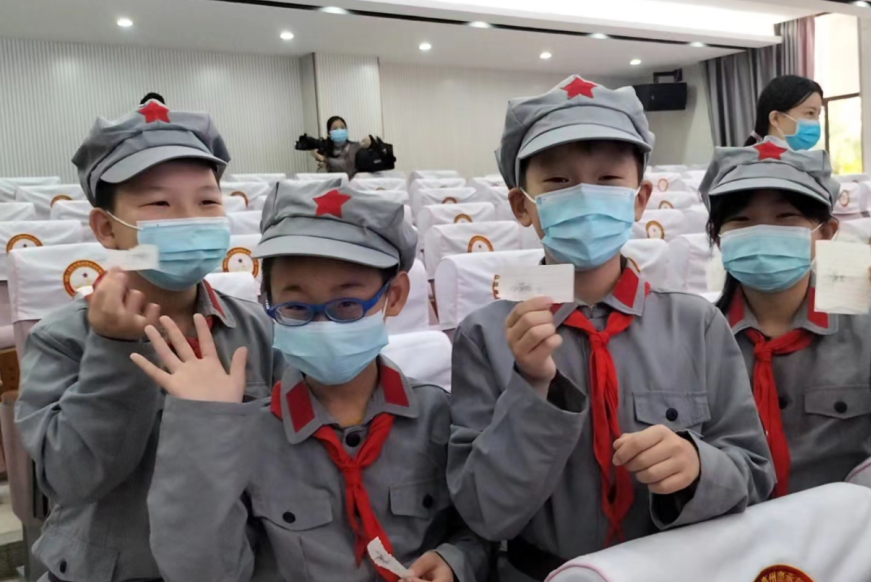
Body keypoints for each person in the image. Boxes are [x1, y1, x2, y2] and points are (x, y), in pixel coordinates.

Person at [448, 76, 775, 582]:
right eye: (558, 182)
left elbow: (754, 473)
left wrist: (698, 468)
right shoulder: (484, 336)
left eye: (607, 180)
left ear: (640, 199)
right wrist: (532, 387)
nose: (585, 196)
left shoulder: (697, 324)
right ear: (521, 205)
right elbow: (484, 513)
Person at [140, 183, 490, 582]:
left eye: (347, 304)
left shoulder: (439, 414)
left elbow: (481, 527)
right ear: (267, 301)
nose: (322, 324)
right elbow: (203, 571)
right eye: (295, 307)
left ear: (394, 296)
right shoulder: (246, 433)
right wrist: (203, 427)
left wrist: (455, 561)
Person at [14, 100, 283, 582]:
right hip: (111, 570)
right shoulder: (62, 338)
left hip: (228, 565)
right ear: (107, 229)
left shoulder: (254, 329)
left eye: (208, 202)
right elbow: (73, 479)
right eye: (159, 204)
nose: (189, 219)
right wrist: (115, 349)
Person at [699, 138, 871, 497]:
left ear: (826, 233)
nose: (765, 233)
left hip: (844, 524)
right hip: (732, 523)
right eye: (742, 220)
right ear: (719, 237)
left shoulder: (870, 328)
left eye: (786, 218)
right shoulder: (696, 335)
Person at [743, 75, 822, 150]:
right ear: (775, 118)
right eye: (810, 113)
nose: (816, 122)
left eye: (818, 115)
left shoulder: (809, 159)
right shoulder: (750, 159)